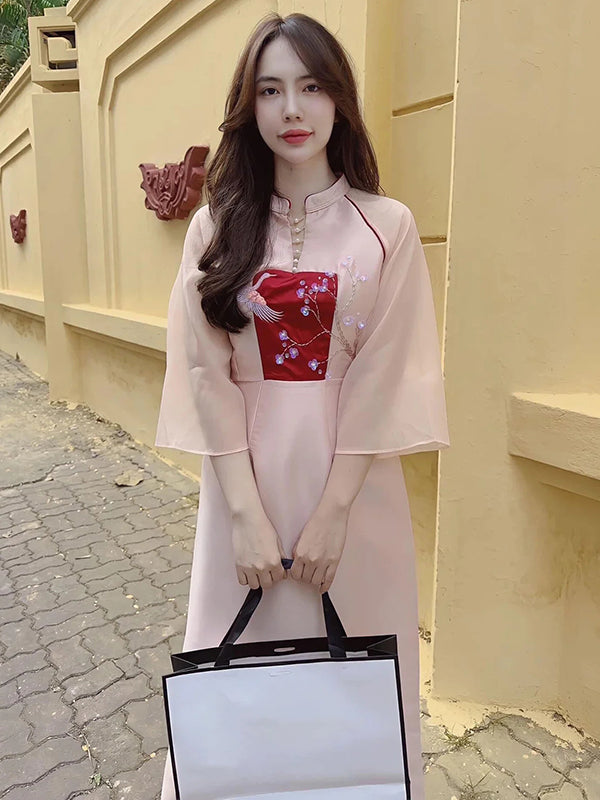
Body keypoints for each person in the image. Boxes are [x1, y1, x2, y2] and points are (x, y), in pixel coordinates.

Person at [155, 11, 449, 800]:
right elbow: (206, 370)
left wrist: (335, 513)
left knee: (358, 668)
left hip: (353, 492)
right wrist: (244, 514)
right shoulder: (215, 228)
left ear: (339, 99)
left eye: (311, 87)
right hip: (243, 486)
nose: (292, 109)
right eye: (270, 90)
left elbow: (385, 376)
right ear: (247, 106)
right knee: (233, 662)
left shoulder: (387, 227)